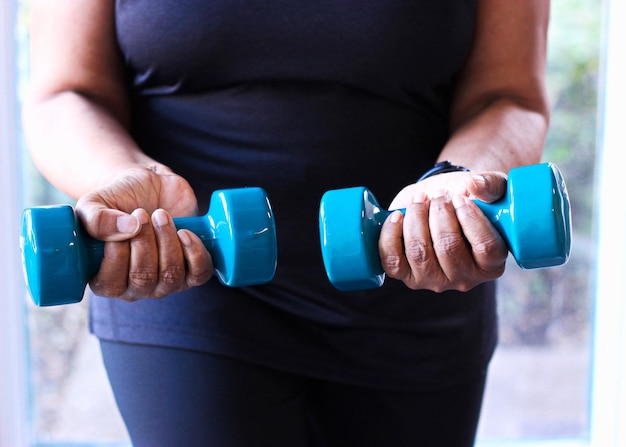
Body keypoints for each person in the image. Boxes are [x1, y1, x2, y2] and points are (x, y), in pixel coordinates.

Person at [23, 0, 550, 445]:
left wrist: (457, 181)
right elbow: (66, 92)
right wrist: (125, 180)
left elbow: (510, 95)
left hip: (417, 270)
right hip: (187, 276)